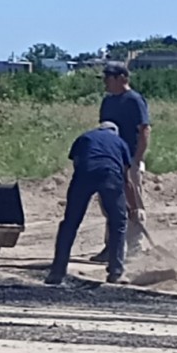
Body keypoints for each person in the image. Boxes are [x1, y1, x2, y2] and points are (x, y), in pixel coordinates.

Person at [45, 121, 134, 285]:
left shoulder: (84, 137)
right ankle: (116, 272)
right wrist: (130, 206)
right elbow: (126, 179)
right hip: (110, 176)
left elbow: (77, 163)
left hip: (83, 176)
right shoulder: (120, 142)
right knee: (118, 223)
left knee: (70, 223)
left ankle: (56, 273)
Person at [91, 62, 151, 262]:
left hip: (130, 159)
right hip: (110, 160)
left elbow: (144, 130)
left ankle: (135, 246)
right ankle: (112, 247)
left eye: (108, 78)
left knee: (134, 202)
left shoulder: (134, 100)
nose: (105, 82)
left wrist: (137, 160)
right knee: (109, 203)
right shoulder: (107, 102)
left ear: (122, 78)